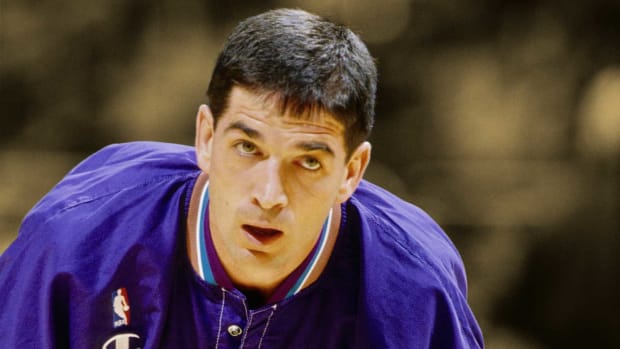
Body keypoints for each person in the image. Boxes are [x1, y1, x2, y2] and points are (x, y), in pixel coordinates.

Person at [0, 8, 483, 348]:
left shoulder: (417, 293)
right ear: (206, 139)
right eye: (247, 148)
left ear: (351, 172)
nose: (270, 194)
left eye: (308, 161)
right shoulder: (74, 244)